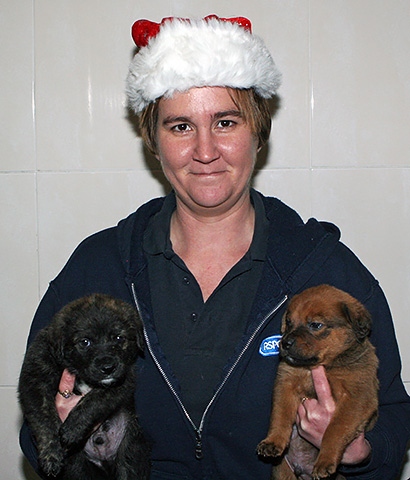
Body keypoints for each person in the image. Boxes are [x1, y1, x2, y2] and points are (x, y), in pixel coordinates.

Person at [20, 15, 410, 480]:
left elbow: (392, 422)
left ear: (257, 132)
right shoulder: (99, 266)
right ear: (154, 141)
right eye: (180, 126)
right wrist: (64, 435)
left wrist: (357, 450)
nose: (205, 150)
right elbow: (36, 413)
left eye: (225, 122)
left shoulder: (323, 270)